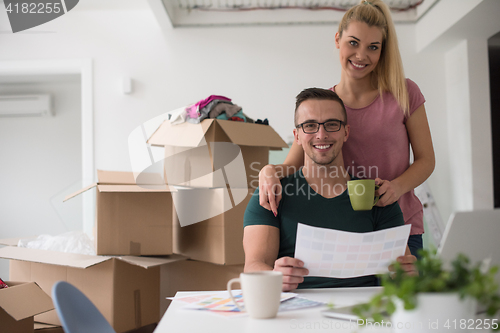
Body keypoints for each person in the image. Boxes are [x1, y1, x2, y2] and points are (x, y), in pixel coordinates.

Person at [258, 0, 435, 257]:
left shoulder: (404, 93)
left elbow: (427, 160)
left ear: (382, 51)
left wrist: (396, 187)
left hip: (402, 227)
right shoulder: (325, 108)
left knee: (406, 298)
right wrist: (267, 171)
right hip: (348, 230)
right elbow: (293, 165)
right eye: (353, 43)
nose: (361, 55)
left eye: (372, 47)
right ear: (338, 39)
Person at [244, 88, 416, 291]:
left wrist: (409, 273)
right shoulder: (272, 193)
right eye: (310, 126)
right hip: (295, 313)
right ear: (297, 135)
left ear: (346, 132)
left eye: (332, 124)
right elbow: (253, 267)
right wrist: (273, 276)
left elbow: (403, 273)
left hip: (363, 314)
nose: (321, 134)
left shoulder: (377, 196)